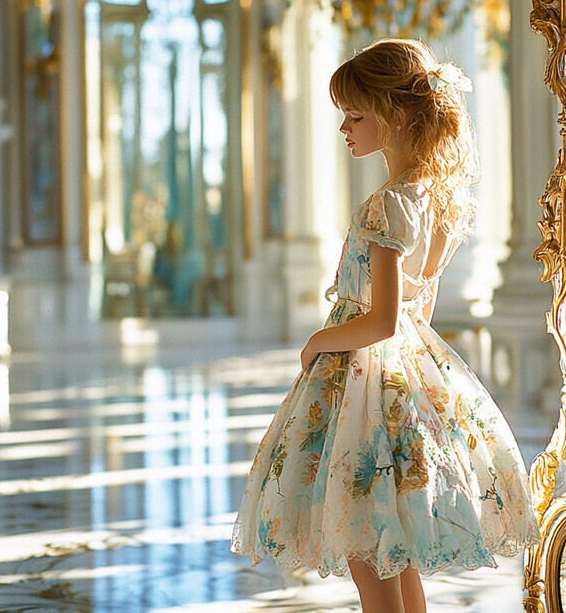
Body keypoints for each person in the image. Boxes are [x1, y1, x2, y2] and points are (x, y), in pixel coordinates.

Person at [231, 39, 539, 613]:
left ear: (394, 115)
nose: (345, 129)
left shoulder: (385, 205)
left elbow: (383, 320)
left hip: (366, 386)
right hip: (408, 379)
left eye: (355, 115)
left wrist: (319, 341)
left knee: (363, 539)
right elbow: (416, 315)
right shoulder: (436, 202)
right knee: (395, 554)